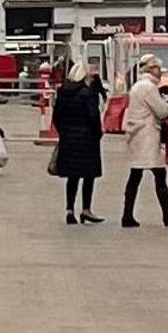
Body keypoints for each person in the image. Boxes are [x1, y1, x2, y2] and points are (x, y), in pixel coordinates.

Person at [118, 55, 168, 228]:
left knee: (135, 176)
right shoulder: (149, 88)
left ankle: (128, 215)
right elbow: (162, 111)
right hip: (147, 136)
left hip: (137, 136)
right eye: (158, 69)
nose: (160, 72)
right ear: (151, 69)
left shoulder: (137, 87)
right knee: (160, 175)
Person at [47, 58, 107, 223]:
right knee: (89, 175)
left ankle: (69, 209)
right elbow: (93, 116)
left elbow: (56, 117)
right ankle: (86, 209)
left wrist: (64, 132)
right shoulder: (86, 94)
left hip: (68, 139)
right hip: (87, 139)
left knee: (72, 176)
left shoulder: (63, 93)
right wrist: (97, 134)